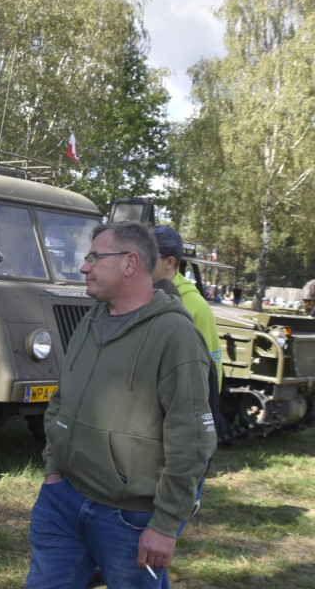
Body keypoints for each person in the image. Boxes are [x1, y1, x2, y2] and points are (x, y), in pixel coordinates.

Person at [25, 221, 216, 589]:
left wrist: (164, 525)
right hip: (63, 501)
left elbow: (191, 440)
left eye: (95, 257)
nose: (84, 267)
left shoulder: (175, 335)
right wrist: (53, 470)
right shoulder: (91, 320)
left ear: (130, 263)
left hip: (129, 519)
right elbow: (62, 397)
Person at [152, 225, 223, 390]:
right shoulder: (135, 295)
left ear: (169, 262)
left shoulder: (195, 305)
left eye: (149, 255)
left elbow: (210, 368)